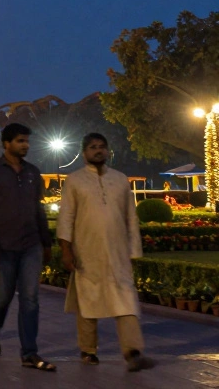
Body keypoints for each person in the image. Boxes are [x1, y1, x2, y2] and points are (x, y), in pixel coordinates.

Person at [57, 133, 154, 372]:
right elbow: (66, 217)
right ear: (84, 153)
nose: (98, 151)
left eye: (102, 147)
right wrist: (66, 251)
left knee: (126, 302)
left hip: (118, 253)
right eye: (93, 147)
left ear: (108, 151)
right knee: (88, 302)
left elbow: (131, 217)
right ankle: (88, 350)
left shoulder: (120, 180)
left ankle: (133, 351)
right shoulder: (75, 181)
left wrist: (134, 251)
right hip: (86, 251)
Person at [0, 123, 56, 371]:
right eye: (21, 141)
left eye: (27, 141)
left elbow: (38, 209)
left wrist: (46, 242)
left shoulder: (33, 172)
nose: (25, 145)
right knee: (3, 297)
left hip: (30, 245)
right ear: (7, 143)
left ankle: (29, 353)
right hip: (2, 246)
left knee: (30, 299)